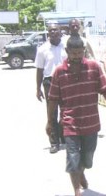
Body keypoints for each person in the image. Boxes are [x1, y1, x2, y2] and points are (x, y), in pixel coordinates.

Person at [46, 36, 106, 196]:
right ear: (67, 52)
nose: (77, 56)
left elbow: (105, 90)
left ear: (84, 52)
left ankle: (82, 173)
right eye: (73, 53)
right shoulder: (59, 72)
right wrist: (50, 122)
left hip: (91, 122)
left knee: (87, 158)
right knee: (72, 158)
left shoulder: (94, 67)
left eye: (80, 53)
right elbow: (53, 99)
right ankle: (77, 193)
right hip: (70, 122)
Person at [36, 23, 67, 154]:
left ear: (60, 31)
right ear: (48, 33)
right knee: (52, 113)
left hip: (66, 81)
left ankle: (64, 136)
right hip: (49, 82)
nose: (53, 32)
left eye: (56, 29)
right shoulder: (42, 49)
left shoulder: (67, 46)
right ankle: (54, 142)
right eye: (51, 30)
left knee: (66, 112)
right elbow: (39, 69)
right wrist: (38, 88)